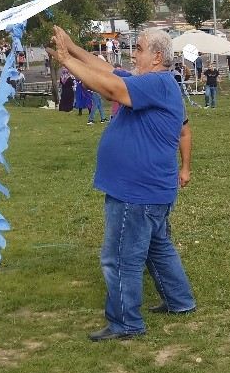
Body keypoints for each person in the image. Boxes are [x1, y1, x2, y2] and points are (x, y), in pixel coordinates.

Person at [46, 26, 196, 341]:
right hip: (150, 190)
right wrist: (72, 48)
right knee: (158, 248)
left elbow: (111, 89)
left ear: (157, 57)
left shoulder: (155, 82)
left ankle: (126, 322)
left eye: (138, 48)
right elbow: (107, 71)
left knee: (119, 258)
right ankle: (179, 301)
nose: (133, 53)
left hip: (136, 192)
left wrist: (66, 61)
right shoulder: (152, 82)